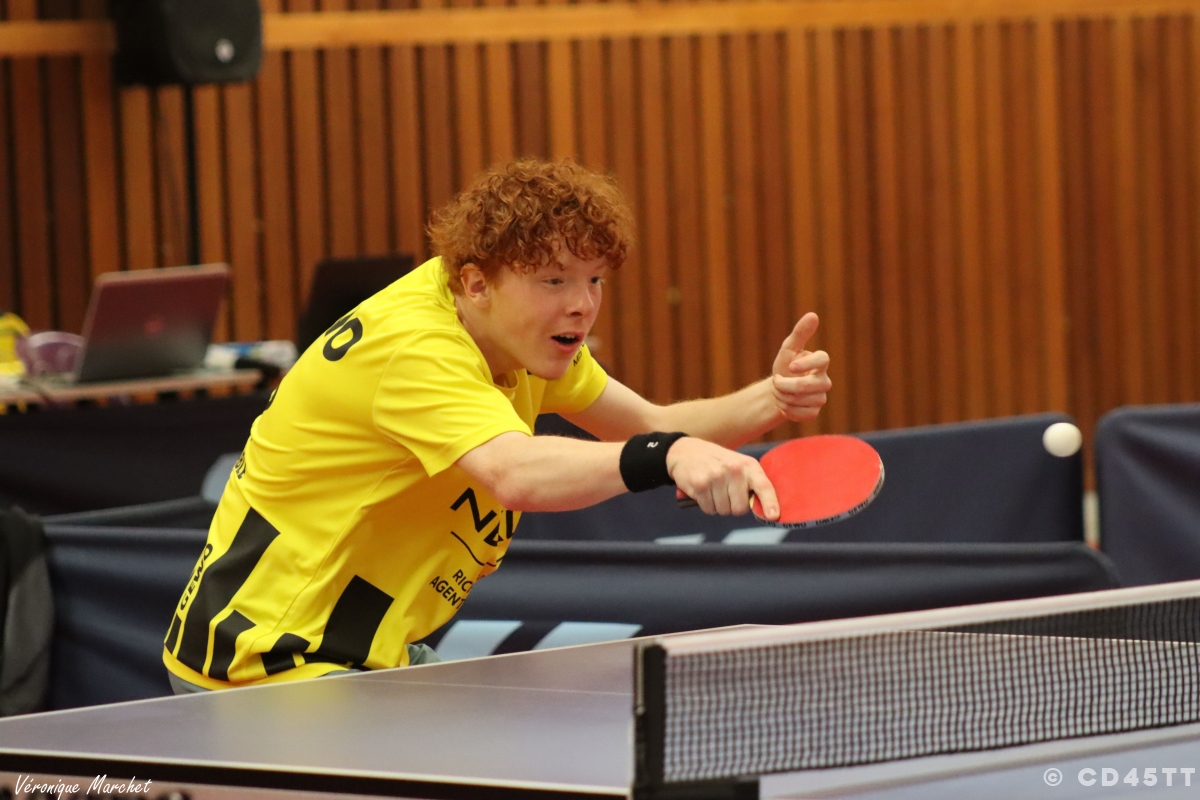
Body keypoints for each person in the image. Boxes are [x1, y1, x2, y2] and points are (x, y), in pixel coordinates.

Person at [162, 158, 832, 692]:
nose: (582, 304)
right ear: (478, 282)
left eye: (595, 280)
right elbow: (514, 472)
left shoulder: (518, 339)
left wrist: (772, 398)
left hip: (362, 649)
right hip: (267, 660)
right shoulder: (416, 350)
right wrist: (665, 456)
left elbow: (651, 423)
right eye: (554, 281)